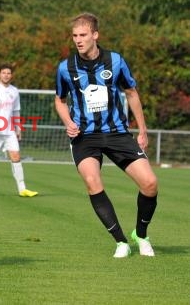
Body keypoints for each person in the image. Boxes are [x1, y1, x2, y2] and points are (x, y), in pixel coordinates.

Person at [54, 13, 158, 258]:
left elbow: (131, 93)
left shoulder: (115, 61)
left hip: (117, 133)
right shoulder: (66, 67)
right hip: (84, 137)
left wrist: (142, 131)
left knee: (150, 184)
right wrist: (68, 122)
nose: (78, 40)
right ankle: (121, 241)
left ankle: (140, 235)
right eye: (75, 36)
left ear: (95, 35)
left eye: (83, 35)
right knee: (92, 181)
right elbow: (59, 100)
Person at [0, 64, 38, 198]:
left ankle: (22, 189)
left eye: (9, 73)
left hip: (9, 130)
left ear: (11, 75)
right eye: (4, 73)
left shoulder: (14, 91)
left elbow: (16, 111)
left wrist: (18, 128)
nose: (6, 75)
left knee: (16, 156)